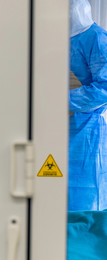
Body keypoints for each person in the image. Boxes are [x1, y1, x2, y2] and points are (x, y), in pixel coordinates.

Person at [69, 0, 107, 211]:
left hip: (87, 130)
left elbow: (104, 87)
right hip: (54, 125)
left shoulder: (96, 39)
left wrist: (61, 99)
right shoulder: (50, 39)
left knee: (84, 197)